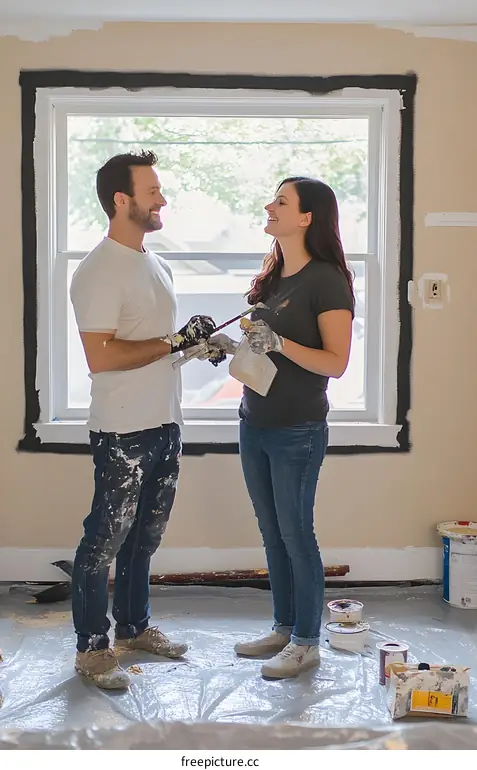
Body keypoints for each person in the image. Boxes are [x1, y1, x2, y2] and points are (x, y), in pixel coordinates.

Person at [69, 151, 216, 690]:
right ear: (121, 200)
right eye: (153, 191)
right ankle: (91, 649)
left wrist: (194, 347)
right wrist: (173, 341)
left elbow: (156, 349)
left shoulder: (156, 263)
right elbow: (103, 357)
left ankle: (134, 628)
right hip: (122, 429)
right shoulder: (99, 270)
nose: (163, 200)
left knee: (144, 538)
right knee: (104, 540)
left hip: (164, 422)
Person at [202, 177, 354, 679]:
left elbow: (335, 363)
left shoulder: (327, 279)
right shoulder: (275, 278)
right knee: (272, 532)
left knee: (296, 533)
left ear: (307, 217)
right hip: (255, 422)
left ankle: (308, 641)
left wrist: (280, 344)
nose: (269, 205)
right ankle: (285, 627)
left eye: (282, 201)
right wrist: (227, 349)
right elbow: (258, 348)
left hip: (297, 429)